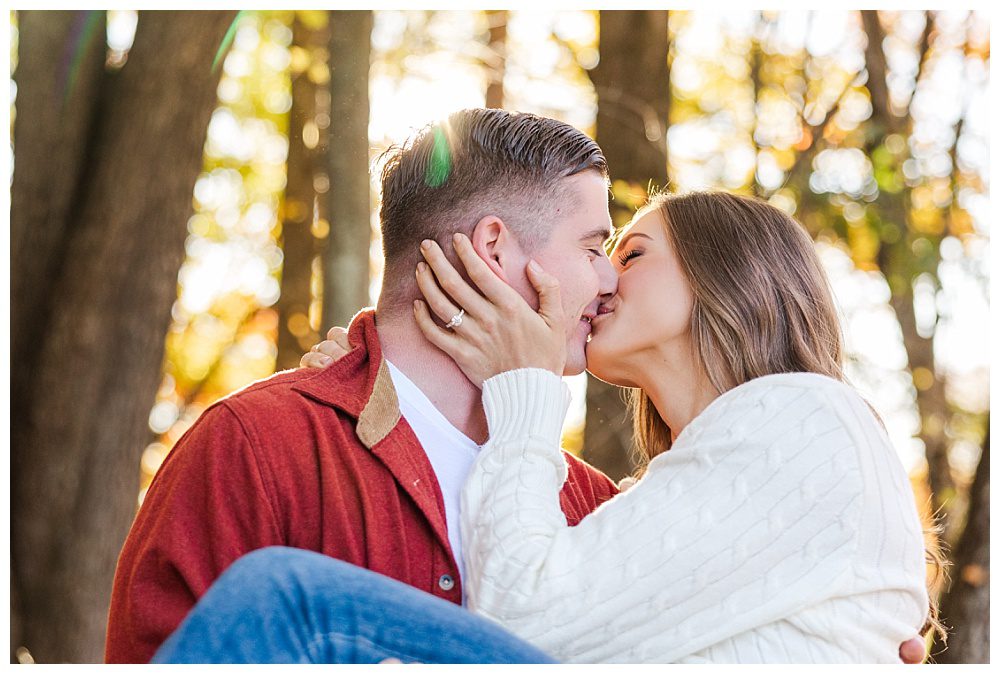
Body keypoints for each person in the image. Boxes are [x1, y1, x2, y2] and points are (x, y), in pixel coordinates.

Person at [154, 191, 935, 663]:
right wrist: (363, 375)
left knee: (288, 600)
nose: (601, 279)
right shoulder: (630, 502)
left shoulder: (806, 414)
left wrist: (522, 387)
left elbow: (527, 627)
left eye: (628, 253)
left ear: (726, 275)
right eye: (599, 251)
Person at [104, 108, 622, 663]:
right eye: (593, 248)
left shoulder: (593, 506)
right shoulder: (255, 447)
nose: (611, 280)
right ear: (493, 247)